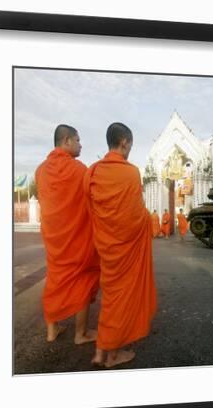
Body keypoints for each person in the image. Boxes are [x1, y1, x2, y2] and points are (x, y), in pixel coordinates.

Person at [84, 122, 158, 368]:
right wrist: (148, 220)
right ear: (124, 142)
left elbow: (90, 210)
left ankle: (99, 351)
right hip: (126, 248)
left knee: (111, 298)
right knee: (121, 301)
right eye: (130, 145)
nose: (129, 150)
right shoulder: (131, 172)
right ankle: (112, 355)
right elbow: (134, 216)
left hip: (106, 247)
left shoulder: (92, 172)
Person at [35, 124, 100, 344]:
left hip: (55, 240)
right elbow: (93, 199)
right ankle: (80, 334)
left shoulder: (40, 170)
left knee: (55, 279)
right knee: (83, 279)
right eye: (78, 140)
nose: (81, 145)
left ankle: (52, 330)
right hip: (78, 239)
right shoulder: (78, 169)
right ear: (66, 141)